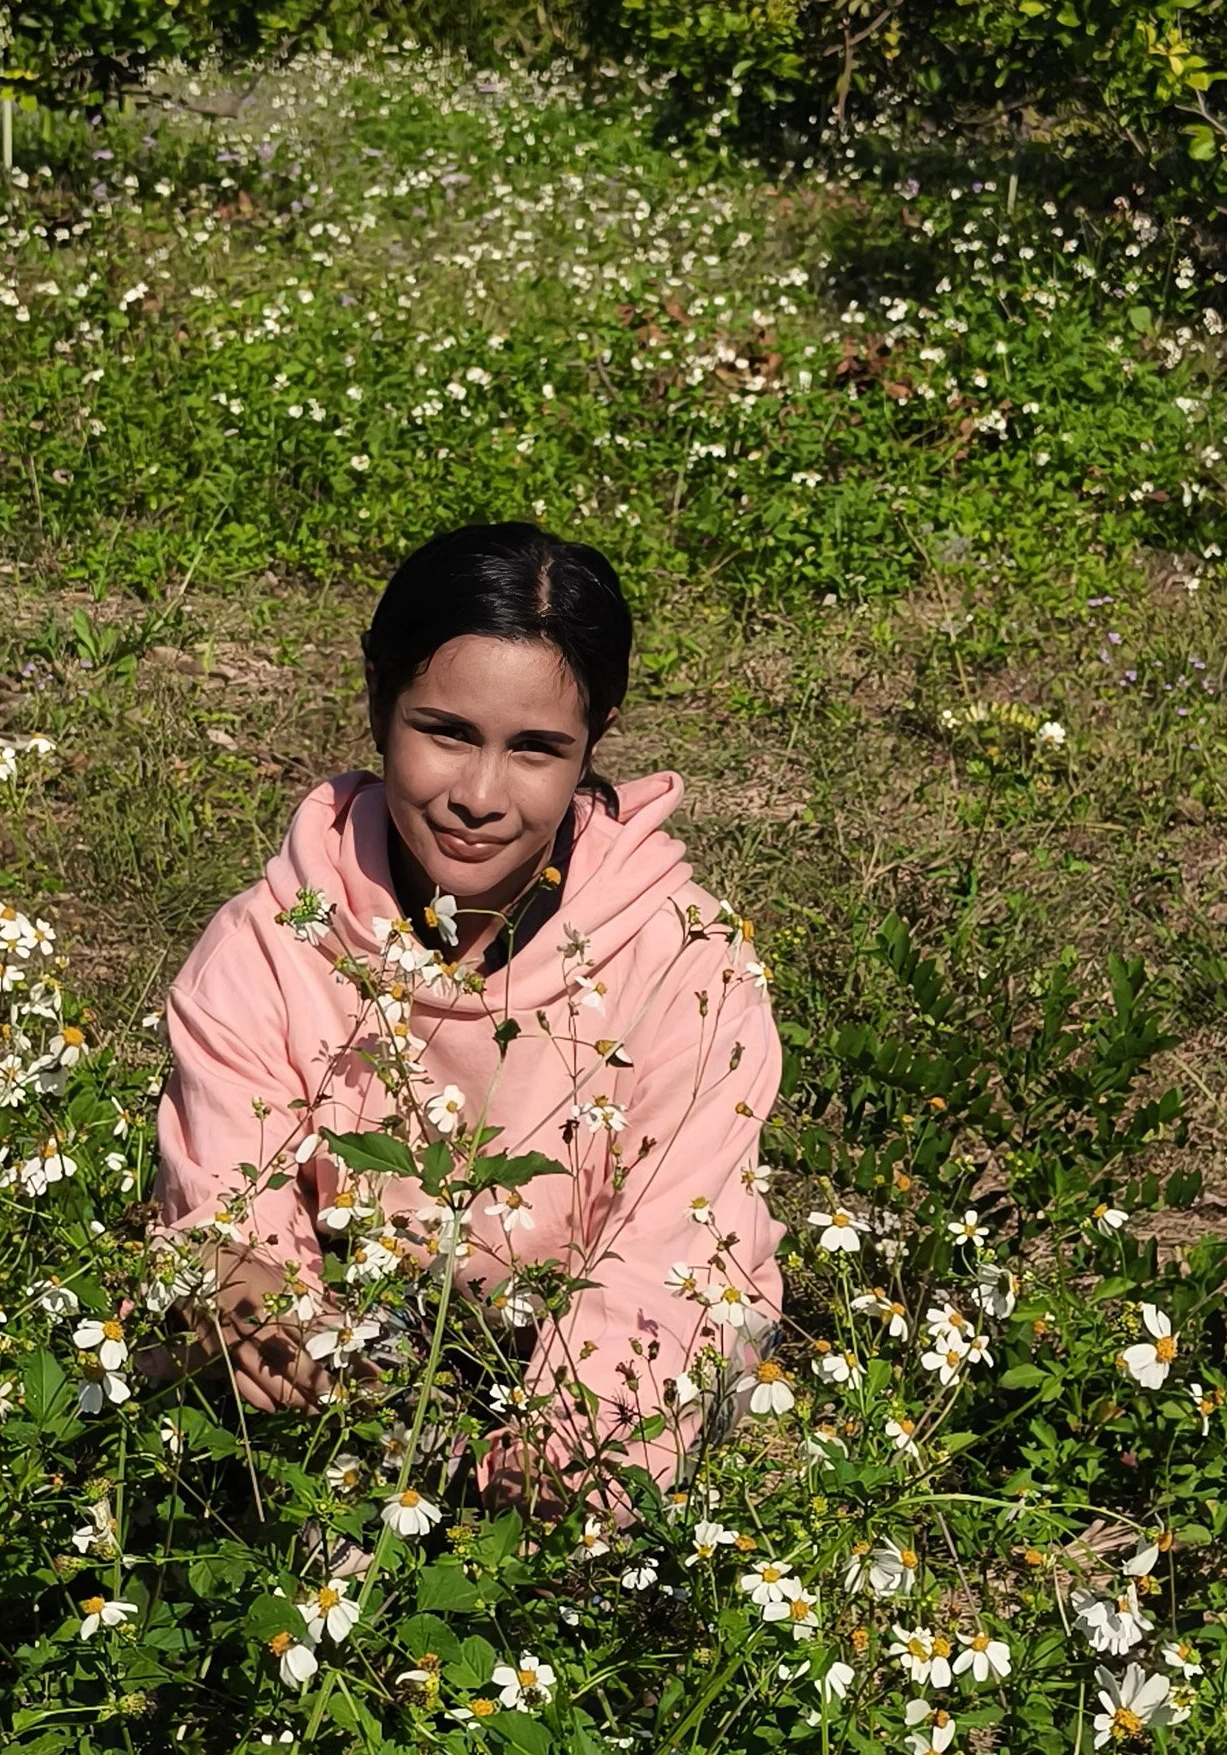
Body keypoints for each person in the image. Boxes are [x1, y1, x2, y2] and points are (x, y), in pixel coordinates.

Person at [151, 520, 782, 1499]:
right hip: (358, 1359)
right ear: (377, 698)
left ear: (596, 738)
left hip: (610, 1356)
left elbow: (675, 1246)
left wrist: (567, 1454)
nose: (479, 796)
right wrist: (260, 1313)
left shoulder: (685, 960)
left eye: (535, 749)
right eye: (445, 732)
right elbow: (231, 1213)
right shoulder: (267, 948)